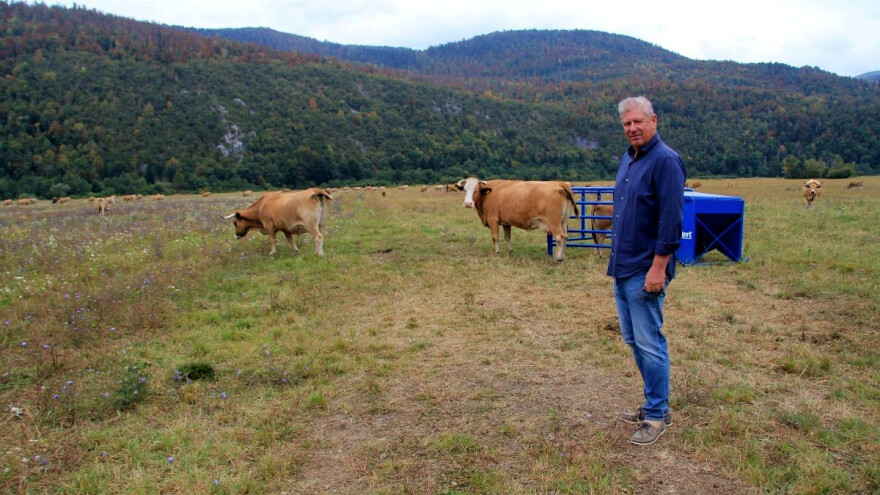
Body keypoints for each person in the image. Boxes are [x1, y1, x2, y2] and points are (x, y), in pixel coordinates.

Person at [607, 96, 686, 446]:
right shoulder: (629, 158)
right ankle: (657, 403)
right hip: (623, 265)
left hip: (645, 268)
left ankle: (656, 415)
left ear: (654, 120)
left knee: (650, 342)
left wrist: (658, 269)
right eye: (627, 123)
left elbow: (671, 220)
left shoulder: (665, 161)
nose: (632, 128)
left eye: (638, 121)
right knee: (633, 339)